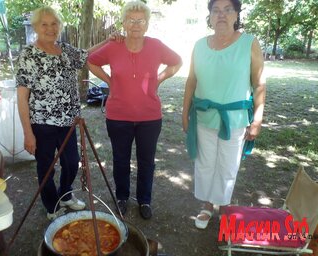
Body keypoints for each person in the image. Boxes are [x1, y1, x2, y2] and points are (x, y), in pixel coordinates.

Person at [87, 0, 182, 220]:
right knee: (120, 159)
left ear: (147, 24)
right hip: (118, 116)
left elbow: (176, 61)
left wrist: (159, 79)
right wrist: (109, 81)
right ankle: (121, 197)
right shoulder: (113, 46)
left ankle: (144, 200)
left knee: (146, 161)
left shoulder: (156, 46)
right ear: (124, 23)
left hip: (149, 117)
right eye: (131, 20)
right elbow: (91, 61)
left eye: (141, 20)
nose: (136, 24)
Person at [16, 6, 109, 221]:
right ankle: (51, 206)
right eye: (44, 24)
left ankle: (65, 194)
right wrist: (28, 133)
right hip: (42, 123)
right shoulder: (29, 55)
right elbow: (22, 98)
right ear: (36, 27)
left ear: (60, 26)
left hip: (68, 121)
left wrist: (109, 40)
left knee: (71, 162)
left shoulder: (65, 50)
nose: (50, 28)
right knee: (46, 168)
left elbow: (87, 54)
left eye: (54, 23)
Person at [182, 0, 266, 229]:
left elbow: (259, 84)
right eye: (216, 10)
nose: (221, 15)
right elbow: (191, 81)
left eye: (228, 10)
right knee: (205, 162)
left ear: (236, 14)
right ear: (209, 15)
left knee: (228, 165)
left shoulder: (249, 43)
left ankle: (225, 205)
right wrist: (184, 112)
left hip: (235, 119)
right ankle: (208, 205)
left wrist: (257, 118)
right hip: (204, 116)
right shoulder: (199, 45)